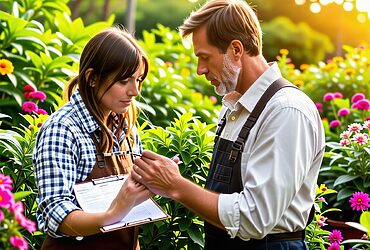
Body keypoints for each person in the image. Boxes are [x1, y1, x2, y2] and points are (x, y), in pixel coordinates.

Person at [131, 0, 325, 249]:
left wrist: (176, 186)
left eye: (204, 57)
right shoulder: (236, 105)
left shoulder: (285, 110)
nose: (200, 70)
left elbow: (255, 219)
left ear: (236, 49)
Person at [33, 26, 152, 250]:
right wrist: (113, 214)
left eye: (139, 80)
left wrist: (154, 180)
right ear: (93, 78)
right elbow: (56, 215)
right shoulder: (63, 130)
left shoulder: (125, 127)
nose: (135, 91)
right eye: (124, 80)